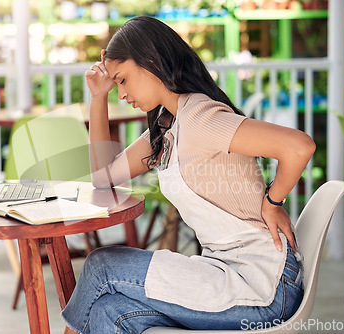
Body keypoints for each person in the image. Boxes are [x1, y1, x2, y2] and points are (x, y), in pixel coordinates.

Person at [62, 16, 315, 333]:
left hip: (262, 287)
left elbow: (298, 146)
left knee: (102, 266)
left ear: (151, 62)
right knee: (108, 310)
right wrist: (98, 97)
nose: (121, 93)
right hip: (223, 273)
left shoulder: (200, 118)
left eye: (122, 80)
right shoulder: (169, 126)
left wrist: (272, 201)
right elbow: (104, 176)